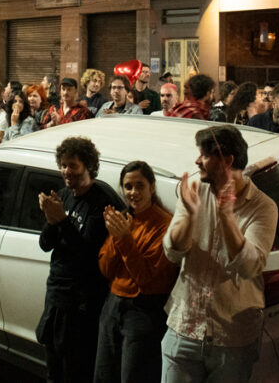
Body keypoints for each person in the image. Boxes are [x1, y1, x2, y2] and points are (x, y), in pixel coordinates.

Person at [161, 124, 278, 382]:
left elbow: (250, 266)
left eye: (204, 155)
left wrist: (226, 217)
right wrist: (190, 216)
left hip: (232, 337)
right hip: (184, 327)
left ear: (227, 160)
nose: (196, 160)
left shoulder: (263, 207)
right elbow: (172, 251)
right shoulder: (194, 190)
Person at [37, 136, 123, 383]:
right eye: (63, 165)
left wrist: (62, 221)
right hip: (56, 297)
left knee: (76, 371)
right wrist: (52, 219)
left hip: (82, 305)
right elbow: (45, 245)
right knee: (54, 370)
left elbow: (90, 256)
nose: (66, 171)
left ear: (88, 166)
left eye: (72, 165)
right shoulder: (63, 195)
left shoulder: (102, 201)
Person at [95, 161, 177, 383]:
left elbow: (145, 278)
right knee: (104, 374)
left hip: (143, 312)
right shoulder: (123, 219)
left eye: (140, 186)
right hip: (113, 306)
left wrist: (124, 239)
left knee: (134, 376)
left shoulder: (164, 224)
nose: (133, 192)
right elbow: (106, 269)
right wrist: (118, 236)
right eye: (128, 186)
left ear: (152, 187)